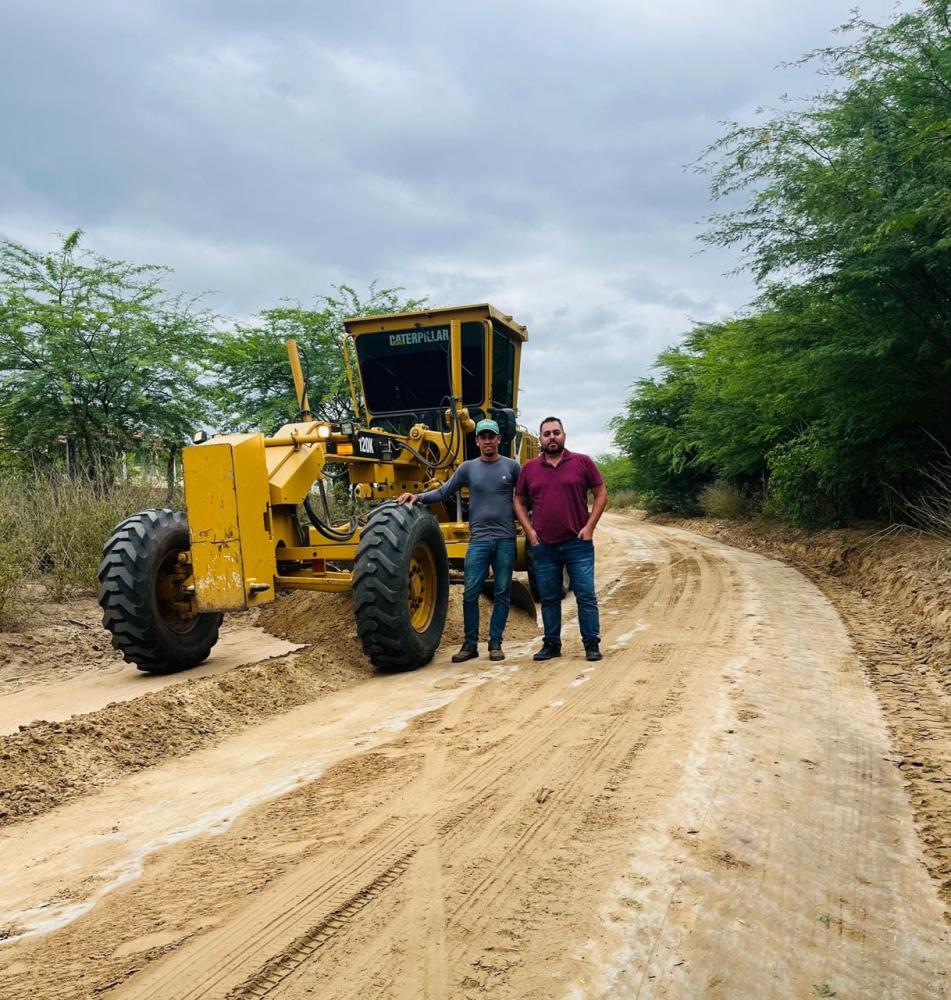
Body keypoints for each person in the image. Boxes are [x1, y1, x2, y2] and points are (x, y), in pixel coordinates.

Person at [398, 418, 520, 663]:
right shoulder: (468, 468)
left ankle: (495, 643)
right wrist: (418, 497)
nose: (487, 441)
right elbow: (444, 491)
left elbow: (527, 496)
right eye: (483, 437)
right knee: (470, 593)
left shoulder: (513, 467)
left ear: (498, 440)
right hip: (479, 541)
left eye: (491, 436)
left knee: (502, 591)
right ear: (477, 441)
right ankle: (470, 644)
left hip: (506, 540)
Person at [513, 416, 608, 662]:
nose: (552, 437)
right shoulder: (530, 469)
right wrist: (529, 532)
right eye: (547, 434)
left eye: (556, 432)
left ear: (564, 435)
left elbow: (600, 493)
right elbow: (519, 501)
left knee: (586, 595)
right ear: (540, 438)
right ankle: (552, 644)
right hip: (544, 546)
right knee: (549, 598)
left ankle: (591, 644)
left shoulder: (582, 462)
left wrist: (590, 527)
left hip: (578, 543)